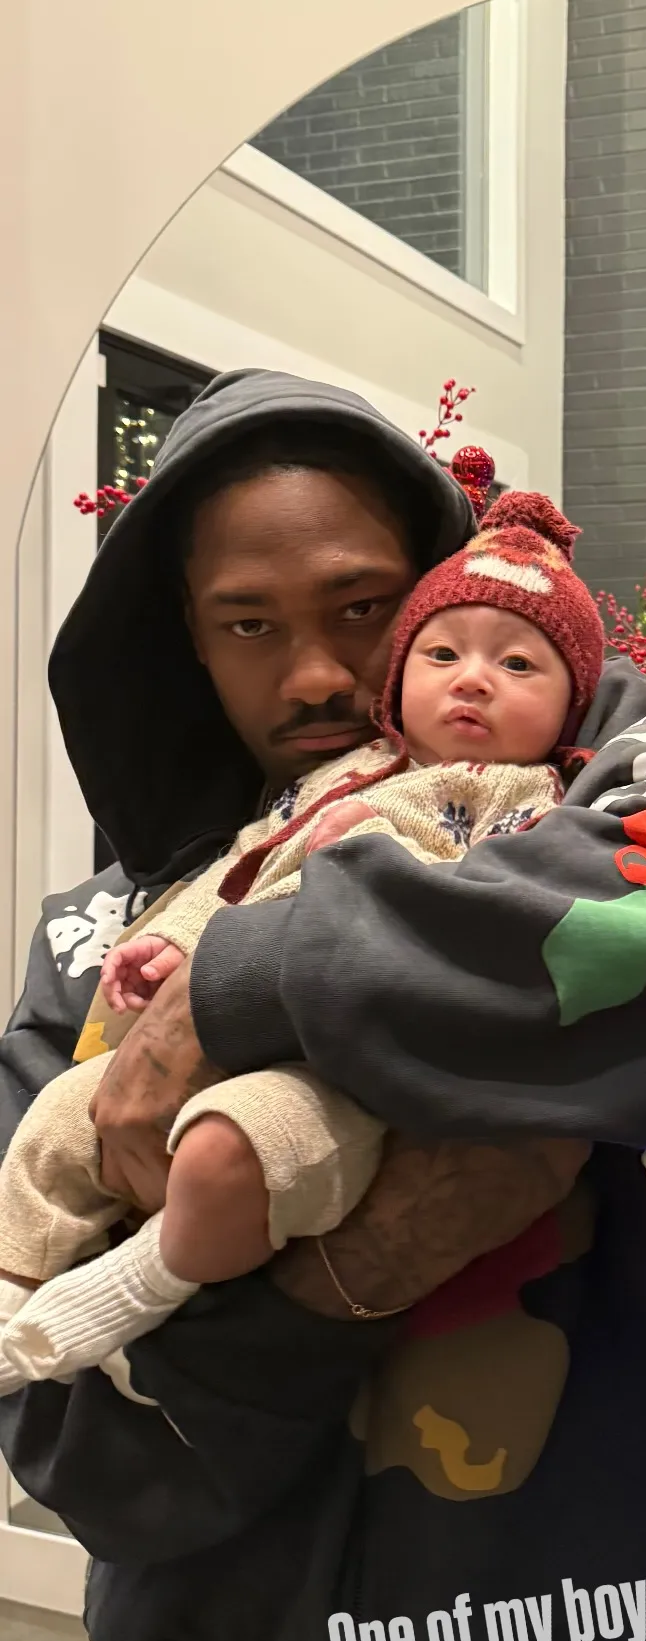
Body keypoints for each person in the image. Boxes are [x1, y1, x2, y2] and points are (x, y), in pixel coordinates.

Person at [0, 369, 646, 1641]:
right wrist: (350, 1268)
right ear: (185, 645)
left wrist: (253, 983)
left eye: (365, 605)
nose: (320, 670)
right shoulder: (92, 954)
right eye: (248, 622)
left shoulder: (622, 773)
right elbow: (78, 1447)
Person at [0, 491, 602, 1389]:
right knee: (55, 1121)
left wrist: (259, 967)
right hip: (167, 1497)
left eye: (361, 609)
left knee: (231, 1151)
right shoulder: (337, 778)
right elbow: (247, 864)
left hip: (337, 1068)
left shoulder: (532, 798)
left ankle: (139, 1295)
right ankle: (14, 1282)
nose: (473, 680)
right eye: (442, 654)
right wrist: (174, 947)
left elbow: (504, 929)